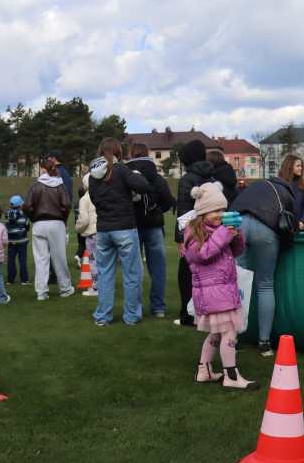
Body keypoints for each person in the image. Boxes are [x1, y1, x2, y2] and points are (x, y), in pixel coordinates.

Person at [184, 182, 258, 391]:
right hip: (213, 292)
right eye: (216, 210)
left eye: (223, 209)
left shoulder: (218, 229)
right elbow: (203, 254)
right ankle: (231, 376)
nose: (221, 214)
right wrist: (225, 234)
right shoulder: (193, 231)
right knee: (229, 332)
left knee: (217, 333)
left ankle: (204, 370)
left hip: (220, 290)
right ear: (203, 211)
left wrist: (236, 233)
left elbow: (236, 251)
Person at [229, 163, 302, 357]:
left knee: (238, 282)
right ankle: (264, 343)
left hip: (239, 226)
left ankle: (233, 338)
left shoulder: (255, 186)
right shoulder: (286, 193)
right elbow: (293, 225)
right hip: (266, 230)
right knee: (265, 284)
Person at [87, 138, 153, 326]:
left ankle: (102, 317)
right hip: (124, 227)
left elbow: (94, 199)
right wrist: (136, 174)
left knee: (105, 275)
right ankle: (131, 316)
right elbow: (144, 186)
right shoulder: (122, 170)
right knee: (132, 275)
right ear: (118, 152)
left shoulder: (93, 176)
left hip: (104, 230)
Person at [126, 143, 175, 317]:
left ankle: (135, 307)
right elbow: (168, 200)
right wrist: (155, 211)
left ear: (131, 154)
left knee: (133, 269)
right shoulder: (156, 177)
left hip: (132, 225)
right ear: (147, 154)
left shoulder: (125, 175)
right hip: (154, 225)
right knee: (158, 269)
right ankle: (158, 307)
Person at [173, 139, 215, 327]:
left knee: (187, 273)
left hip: (193, 231)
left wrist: (180, 239)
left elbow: (183, 211)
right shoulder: (213, 177)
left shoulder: (187, 179)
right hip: (211, 230)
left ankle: (187, 315)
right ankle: (208, 311)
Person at [23, 157, 75, 300]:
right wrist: (61, 218)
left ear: (43, 170)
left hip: (39, 224)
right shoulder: (60, 185)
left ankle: (41, 291)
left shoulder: (35, 186)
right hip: (56, 223)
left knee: (41, 259)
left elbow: (27, 206)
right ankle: (65, 288)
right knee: (59, 257)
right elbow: (66, 205)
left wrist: (34, 217)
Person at [74, 175, 99, 296]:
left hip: (91, 233)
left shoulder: (85, 199)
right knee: (105, 261)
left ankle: (96, 288)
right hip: (104, 231)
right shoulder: (102, 195)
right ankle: (106, 286)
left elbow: (83, 219)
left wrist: (77, 228)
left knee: (93, 261)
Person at [4, 195, 30, 285]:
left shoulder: (6, 215)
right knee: (22, 260)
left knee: (10, 260)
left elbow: (7, 225)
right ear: (20, 206)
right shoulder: (23, 215)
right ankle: (24, 279)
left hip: (11, 241)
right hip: (21, 241)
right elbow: (27, 225)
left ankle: (10, 280)